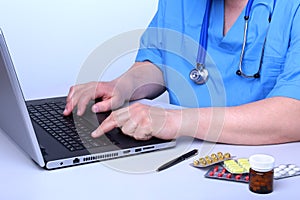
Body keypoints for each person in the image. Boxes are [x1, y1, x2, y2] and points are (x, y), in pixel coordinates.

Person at [63, 0, 300, 145]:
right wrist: (122, 86)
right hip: (184, 159)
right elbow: (163, 62)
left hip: (263, 163)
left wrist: (175, 121)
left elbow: (293, 115)